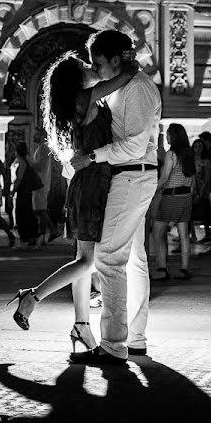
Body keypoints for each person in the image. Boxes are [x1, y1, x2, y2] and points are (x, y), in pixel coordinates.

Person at [6, 50, 138, 352]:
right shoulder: (85, 98)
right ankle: (33, 296)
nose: (90, 66)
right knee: (90, 261)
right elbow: (126, 76)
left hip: (87, 183)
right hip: (93, 184)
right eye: (84, 65)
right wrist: (127, 61)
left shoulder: (80, 101)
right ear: (76, 77)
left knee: (82, 261)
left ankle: (81, 325)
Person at [68, 30, 160, 365]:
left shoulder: (136, 89)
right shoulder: (125, 85)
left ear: (117, 60)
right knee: (134, 260)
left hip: (131, 174)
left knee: (108, 259)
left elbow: (135, 144)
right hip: (131, 175)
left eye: (100, 62)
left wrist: (92, 156)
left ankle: (113, 344)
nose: (97, 68)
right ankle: (135, 339)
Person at [149, 123, 196, 281]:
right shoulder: (188, 154)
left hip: (172, 196)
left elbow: (164, 178)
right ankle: (184, 269)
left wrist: (152, 191)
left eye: (168, 134)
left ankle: (162, 268)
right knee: (184, 235)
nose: (167, 137)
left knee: (157, 231)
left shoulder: (171, 154)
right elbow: (193, 179)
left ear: (173, 136)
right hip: (186, 196)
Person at [32, 129, 60, 245]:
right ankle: (46, 233)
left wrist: (28, 163)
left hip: (41, 183)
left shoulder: (43, 148)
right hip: (40, 183)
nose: (35, 136)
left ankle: (49, 232)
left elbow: (40, 166)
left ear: (43, 136)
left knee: (41, 210)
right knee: (40, 210)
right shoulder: (41, 148)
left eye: (37, 134)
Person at [11, 142, 40, 248]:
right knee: (26, 214)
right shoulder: (25, 162)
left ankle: (26, 239)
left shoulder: (22, 163)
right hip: (26, 192)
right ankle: (31, 238)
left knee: (22, 215)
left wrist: (13, 191)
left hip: (23, 192)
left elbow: (19, 178)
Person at [188, 139, 211, 244]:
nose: (197, 149)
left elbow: (207, 178)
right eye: (195, 147)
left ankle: (209, 234)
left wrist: (202, 192)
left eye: (200, 147)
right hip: (192, 190)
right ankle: (193, 235)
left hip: (202, 191)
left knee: (205, 214)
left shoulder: (205, 161)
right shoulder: (191, 160)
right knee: (192, 214)